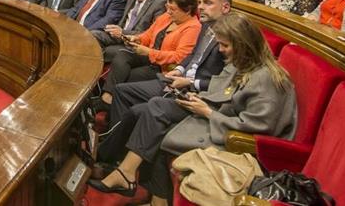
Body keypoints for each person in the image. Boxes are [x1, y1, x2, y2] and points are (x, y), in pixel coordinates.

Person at [90, 13, 296, 204]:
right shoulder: (244, 63)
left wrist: (207, 111)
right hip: (217, 115)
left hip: (233, 135)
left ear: (243, 45)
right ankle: (125, 173)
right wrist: (198, 98)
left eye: (224, 45)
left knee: (155, 117)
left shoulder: (267, 78)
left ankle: (126, 174)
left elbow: (258, 126)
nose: (221, 50)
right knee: (148, 109)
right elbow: (222, 90)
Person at [94, 0, 201, 110]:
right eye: (167, 7)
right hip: (149, 57)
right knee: (121, 54)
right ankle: (107, 98)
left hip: (164, 68)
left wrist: (148, 52)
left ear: (187, 10)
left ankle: (107, 103)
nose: (168, 12)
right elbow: (149, 35)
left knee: (129, 76)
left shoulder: (193, 27)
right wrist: (136, 38)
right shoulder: (166, 17)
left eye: (173, 9)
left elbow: (180, 57)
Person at [93, 0, 168, 49]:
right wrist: (114, 29)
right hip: (120, 35)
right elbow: (124, 20)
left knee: (113, 52)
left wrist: (123, 32)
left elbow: (152, 33)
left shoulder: (159, 2)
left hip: (136, 41)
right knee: (92, 35)